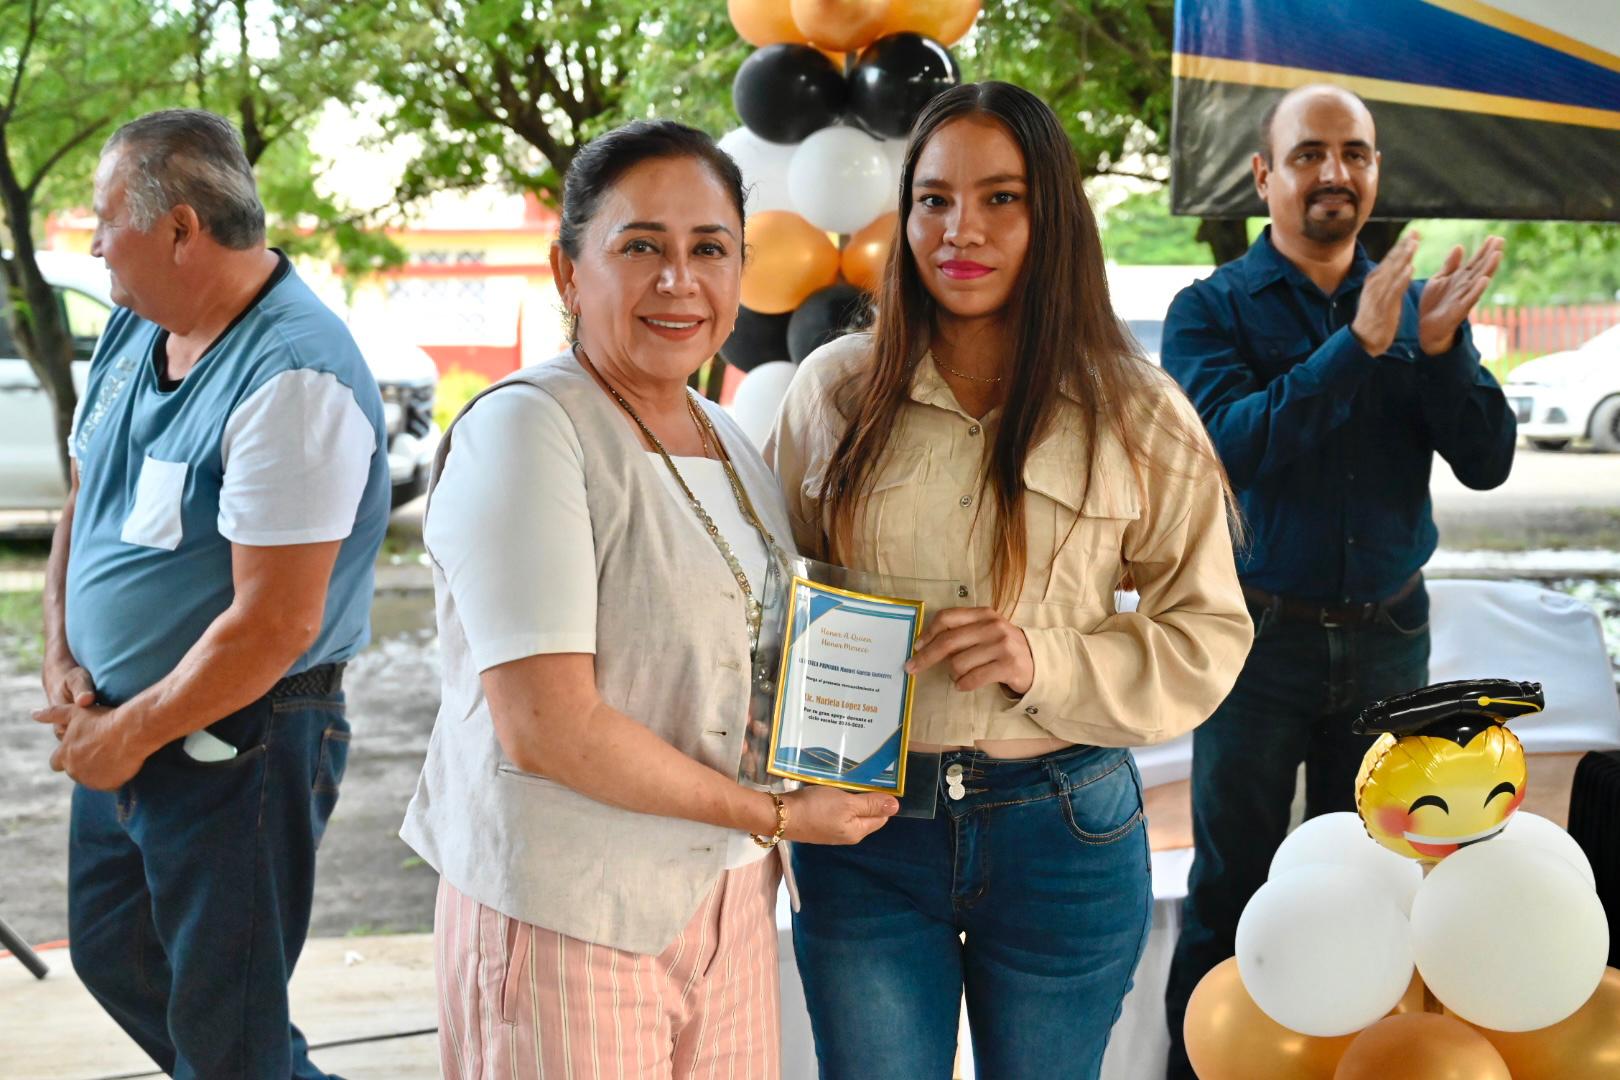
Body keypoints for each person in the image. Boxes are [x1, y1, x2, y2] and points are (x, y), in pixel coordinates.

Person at [767, 82, 1253, 1079]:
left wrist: (1043, 658)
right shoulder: (834, 392)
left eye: (1001, 198)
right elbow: (769, 607)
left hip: (1065, 831)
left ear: (1053, 217)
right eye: (934, 199)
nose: (961, 230)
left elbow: (1207, 632)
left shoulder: (1138, 409)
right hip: (865, 835)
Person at [399, 119, 898, 1080]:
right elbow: (548, 727)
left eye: (709, 249)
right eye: (640, 247)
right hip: (569, 916)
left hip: (728, 907)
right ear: (568, 272)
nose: (679, 280)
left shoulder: (726, 436)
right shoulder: (529, 430)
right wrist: (777, 818)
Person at [1160, 84, 1516, 1078]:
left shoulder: (1419, 308)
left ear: (1376, 173)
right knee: (1232, 891)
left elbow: (1488, 460)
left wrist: (1438, 353)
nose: (1335, 172)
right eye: (1309, 153)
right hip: (1256, 641)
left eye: (1355, 153)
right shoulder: (1210, 309)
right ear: (1263, 175)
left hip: (1389, 644)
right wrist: (1355, 347)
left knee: (1382, 890)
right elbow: (1227, 449)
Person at [33, 109, 391, 1078]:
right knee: (118, 955)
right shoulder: (134, 326)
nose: (94, 244)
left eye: (106, 219)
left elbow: (274, 624)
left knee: (225, 1023)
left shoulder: (294, 376)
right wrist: (62, 651)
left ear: (181, 228)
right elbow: (85, 500)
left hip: (240, 738)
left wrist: (126, 734)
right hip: (123, 722)